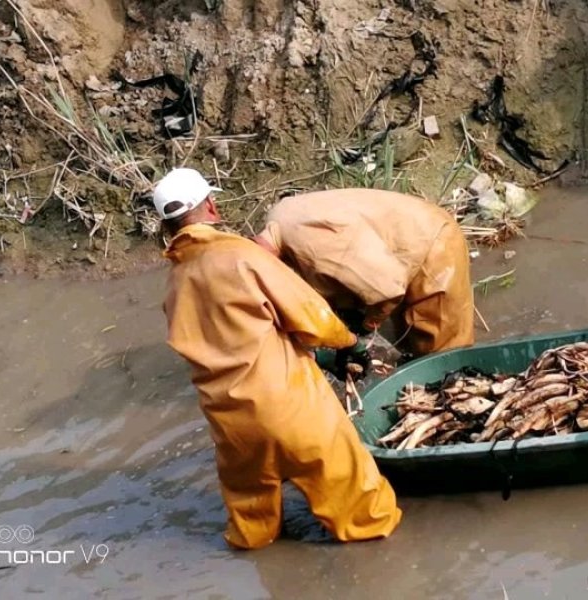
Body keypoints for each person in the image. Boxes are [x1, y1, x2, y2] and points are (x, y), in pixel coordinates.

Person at [153, 168, 402, 550]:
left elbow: (235, 345)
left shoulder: (175, 284)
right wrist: (349, 343)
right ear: (212, 206)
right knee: (364, 511)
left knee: (252, 525)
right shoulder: (241, 255)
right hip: (291, 411)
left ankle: (259, 540)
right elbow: (311, 316)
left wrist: (315, 358)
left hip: (233, 428)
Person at [254, 188, 475, 357]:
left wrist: (370, 322)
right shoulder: (278, 218)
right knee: (409, 339)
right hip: (403, 237)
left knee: (442, 356)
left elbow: (387, 289)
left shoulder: (309, 241)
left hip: (432, 245)